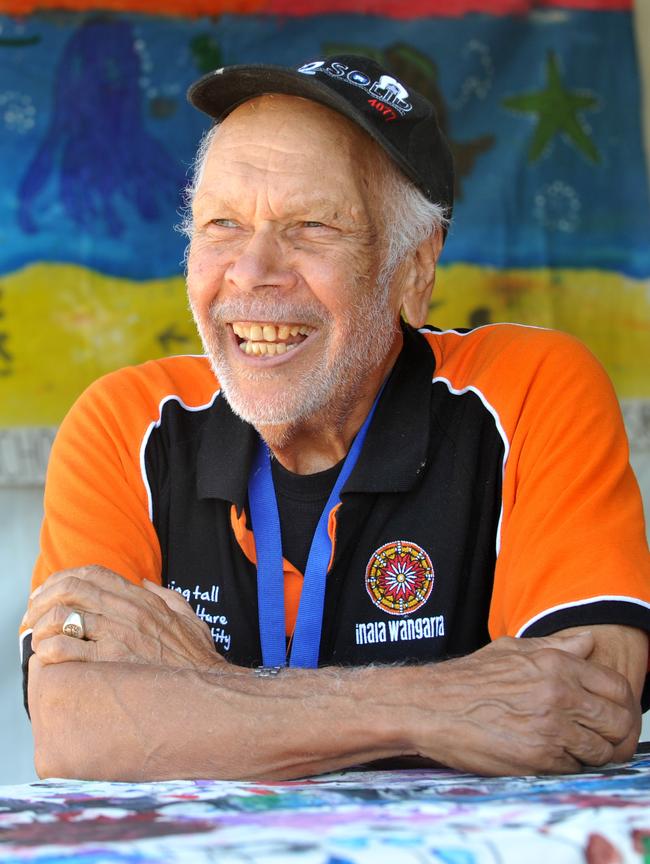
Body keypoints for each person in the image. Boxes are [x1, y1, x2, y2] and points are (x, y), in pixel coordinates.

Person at [21, 55, 650, 782]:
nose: (253, 271)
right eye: (221, 224)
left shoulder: (532, 390)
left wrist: (202, 693)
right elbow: (76, 735)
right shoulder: (123, 424)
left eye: (312, 226)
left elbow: (583, 715)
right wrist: (433, 706)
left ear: (414, 270)